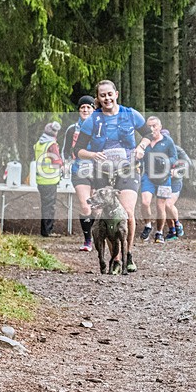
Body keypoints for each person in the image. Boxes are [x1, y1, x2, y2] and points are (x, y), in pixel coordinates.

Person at [74, 80, 152, 274]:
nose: (107, 98)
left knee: (127, 211)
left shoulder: (130, 114)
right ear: (98, 98)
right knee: (105, 217)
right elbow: (78, 150)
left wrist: (141, 147)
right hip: (103, 171)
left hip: (128, 169)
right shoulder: (93, 120)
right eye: (102, 95)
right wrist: (92, 155)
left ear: (116, 94)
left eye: (110, 94)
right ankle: (115, 259)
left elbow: (148, 134)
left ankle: (128, 254)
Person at [61, 95, 96, 251]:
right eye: (82, 107)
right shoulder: (72, 129)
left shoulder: (100, 126)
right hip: (79, 169)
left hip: (98, 170)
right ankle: (88, 240)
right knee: (85, 205)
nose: (85, 110)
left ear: (94, 109)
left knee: (97, 208)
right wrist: (66, 164)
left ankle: (97, 235)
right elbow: (65, 150)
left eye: (88, 107)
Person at [138, 117, 177, 244]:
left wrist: (165, 161)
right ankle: (148, 225)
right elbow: (138, 156)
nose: (152, 129)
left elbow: (174, 158)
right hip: (148, 176)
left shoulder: (168, 141)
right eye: (149, 126)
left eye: (154, 126)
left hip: (164, 178)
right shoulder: (145, 142)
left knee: (161, 206)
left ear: (160, 127)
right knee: (145, 202)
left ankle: (159, 232)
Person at [33, 121, 64, 237]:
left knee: (45, 205)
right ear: (55, 133)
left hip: (40, 179)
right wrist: (62, 165)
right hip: (50, 180)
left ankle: (45, 230)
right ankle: (48, 231)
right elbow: (56, 162)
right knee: (49, 206)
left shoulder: (39, 143)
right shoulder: (52, 145)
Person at [160, 128, 189, 240]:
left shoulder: (178, 150)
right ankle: (172, 231)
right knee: (163, 207)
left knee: (168, 204)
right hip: (162, 182)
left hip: (175, 182)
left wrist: (176, 172)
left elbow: (188, 164)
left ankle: (177, 224)